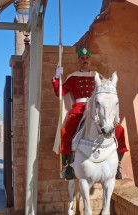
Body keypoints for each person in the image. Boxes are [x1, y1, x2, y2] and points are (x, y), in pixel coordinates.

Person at [52, 47, 128, 180]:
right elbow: (60, 92)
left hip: (97, 109)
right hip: (80, 109)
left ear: (90, 60)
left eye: (87, 58)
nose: (85, 60)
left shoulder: (98, 77)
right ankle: (67, 165)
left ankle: (118, 165)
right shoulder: (73, 77)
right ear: (78, 61)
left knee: (120, 130)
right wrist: (56, 77)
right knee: (67, 131)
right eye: (82, 58)